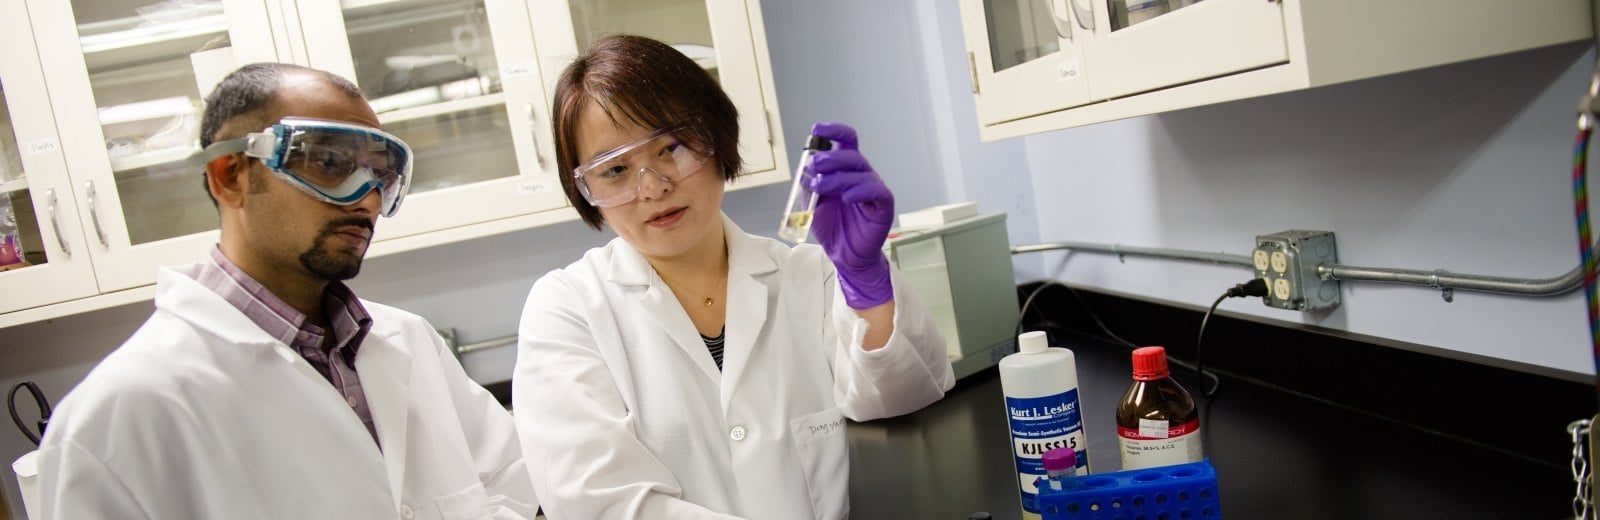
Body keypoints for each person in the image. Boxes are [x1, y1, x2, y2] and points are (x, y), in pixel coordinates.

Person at [31, 63, 539, 519]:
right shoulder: (116, 417)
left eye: (380, 174)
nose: (365, 198)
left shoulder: (408, 340)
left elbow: (517, 489)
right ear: (229, 176)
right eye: (331, 163)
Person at [513, 34, 956, 519]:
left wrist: (866, 280)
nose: (655, 187)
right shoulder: (567, 310)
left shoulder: (809, 277)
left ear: (716, 139)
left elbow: (906, 392)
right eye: (616, 169)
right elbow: (599, 505)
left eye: (672, 148)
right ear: (585, 189)